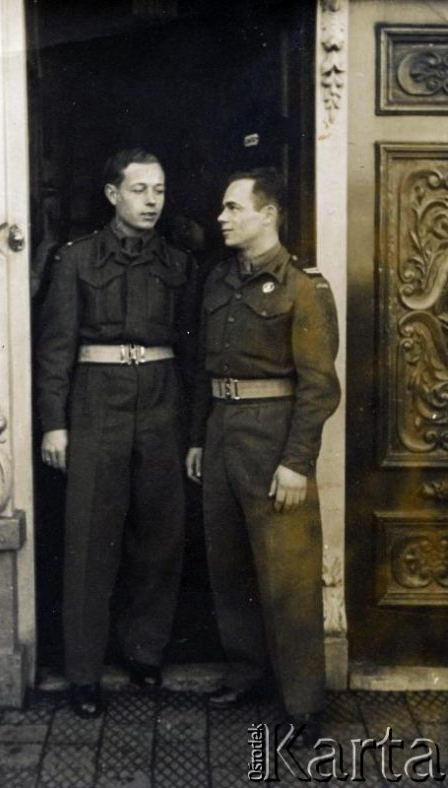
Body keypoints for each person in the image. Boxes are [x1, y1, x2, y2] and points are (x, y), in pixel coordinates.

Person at [36, 148, 195, 718]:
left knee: (160, 534)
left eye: (158, 190)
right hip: (96, 403)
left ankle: (144, 652)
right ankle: (83, 673)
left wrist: (192, 429)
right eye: (139, 190)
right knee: (89, 539)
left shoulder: (179, 263)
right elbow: (55, 349)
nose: (151, 201)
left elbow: (193, 353)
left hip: (161, 402)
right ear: (112, 195)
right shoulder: (75, 261)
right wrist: (54, 423)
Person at [186, 168, 340, 741]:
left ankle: (303, 703)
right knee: (228, 566)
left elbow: (320, 385)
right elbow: (206, 369)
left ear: (267, 214)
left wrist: (297, 461)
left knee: (289, 577)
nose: (222, 218)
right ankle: (247, 672)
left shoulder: (304, 288)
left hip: (275, 440)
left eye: (233, 208)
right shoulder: (219, 281)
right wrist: (201, 438)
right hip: (224, 433)